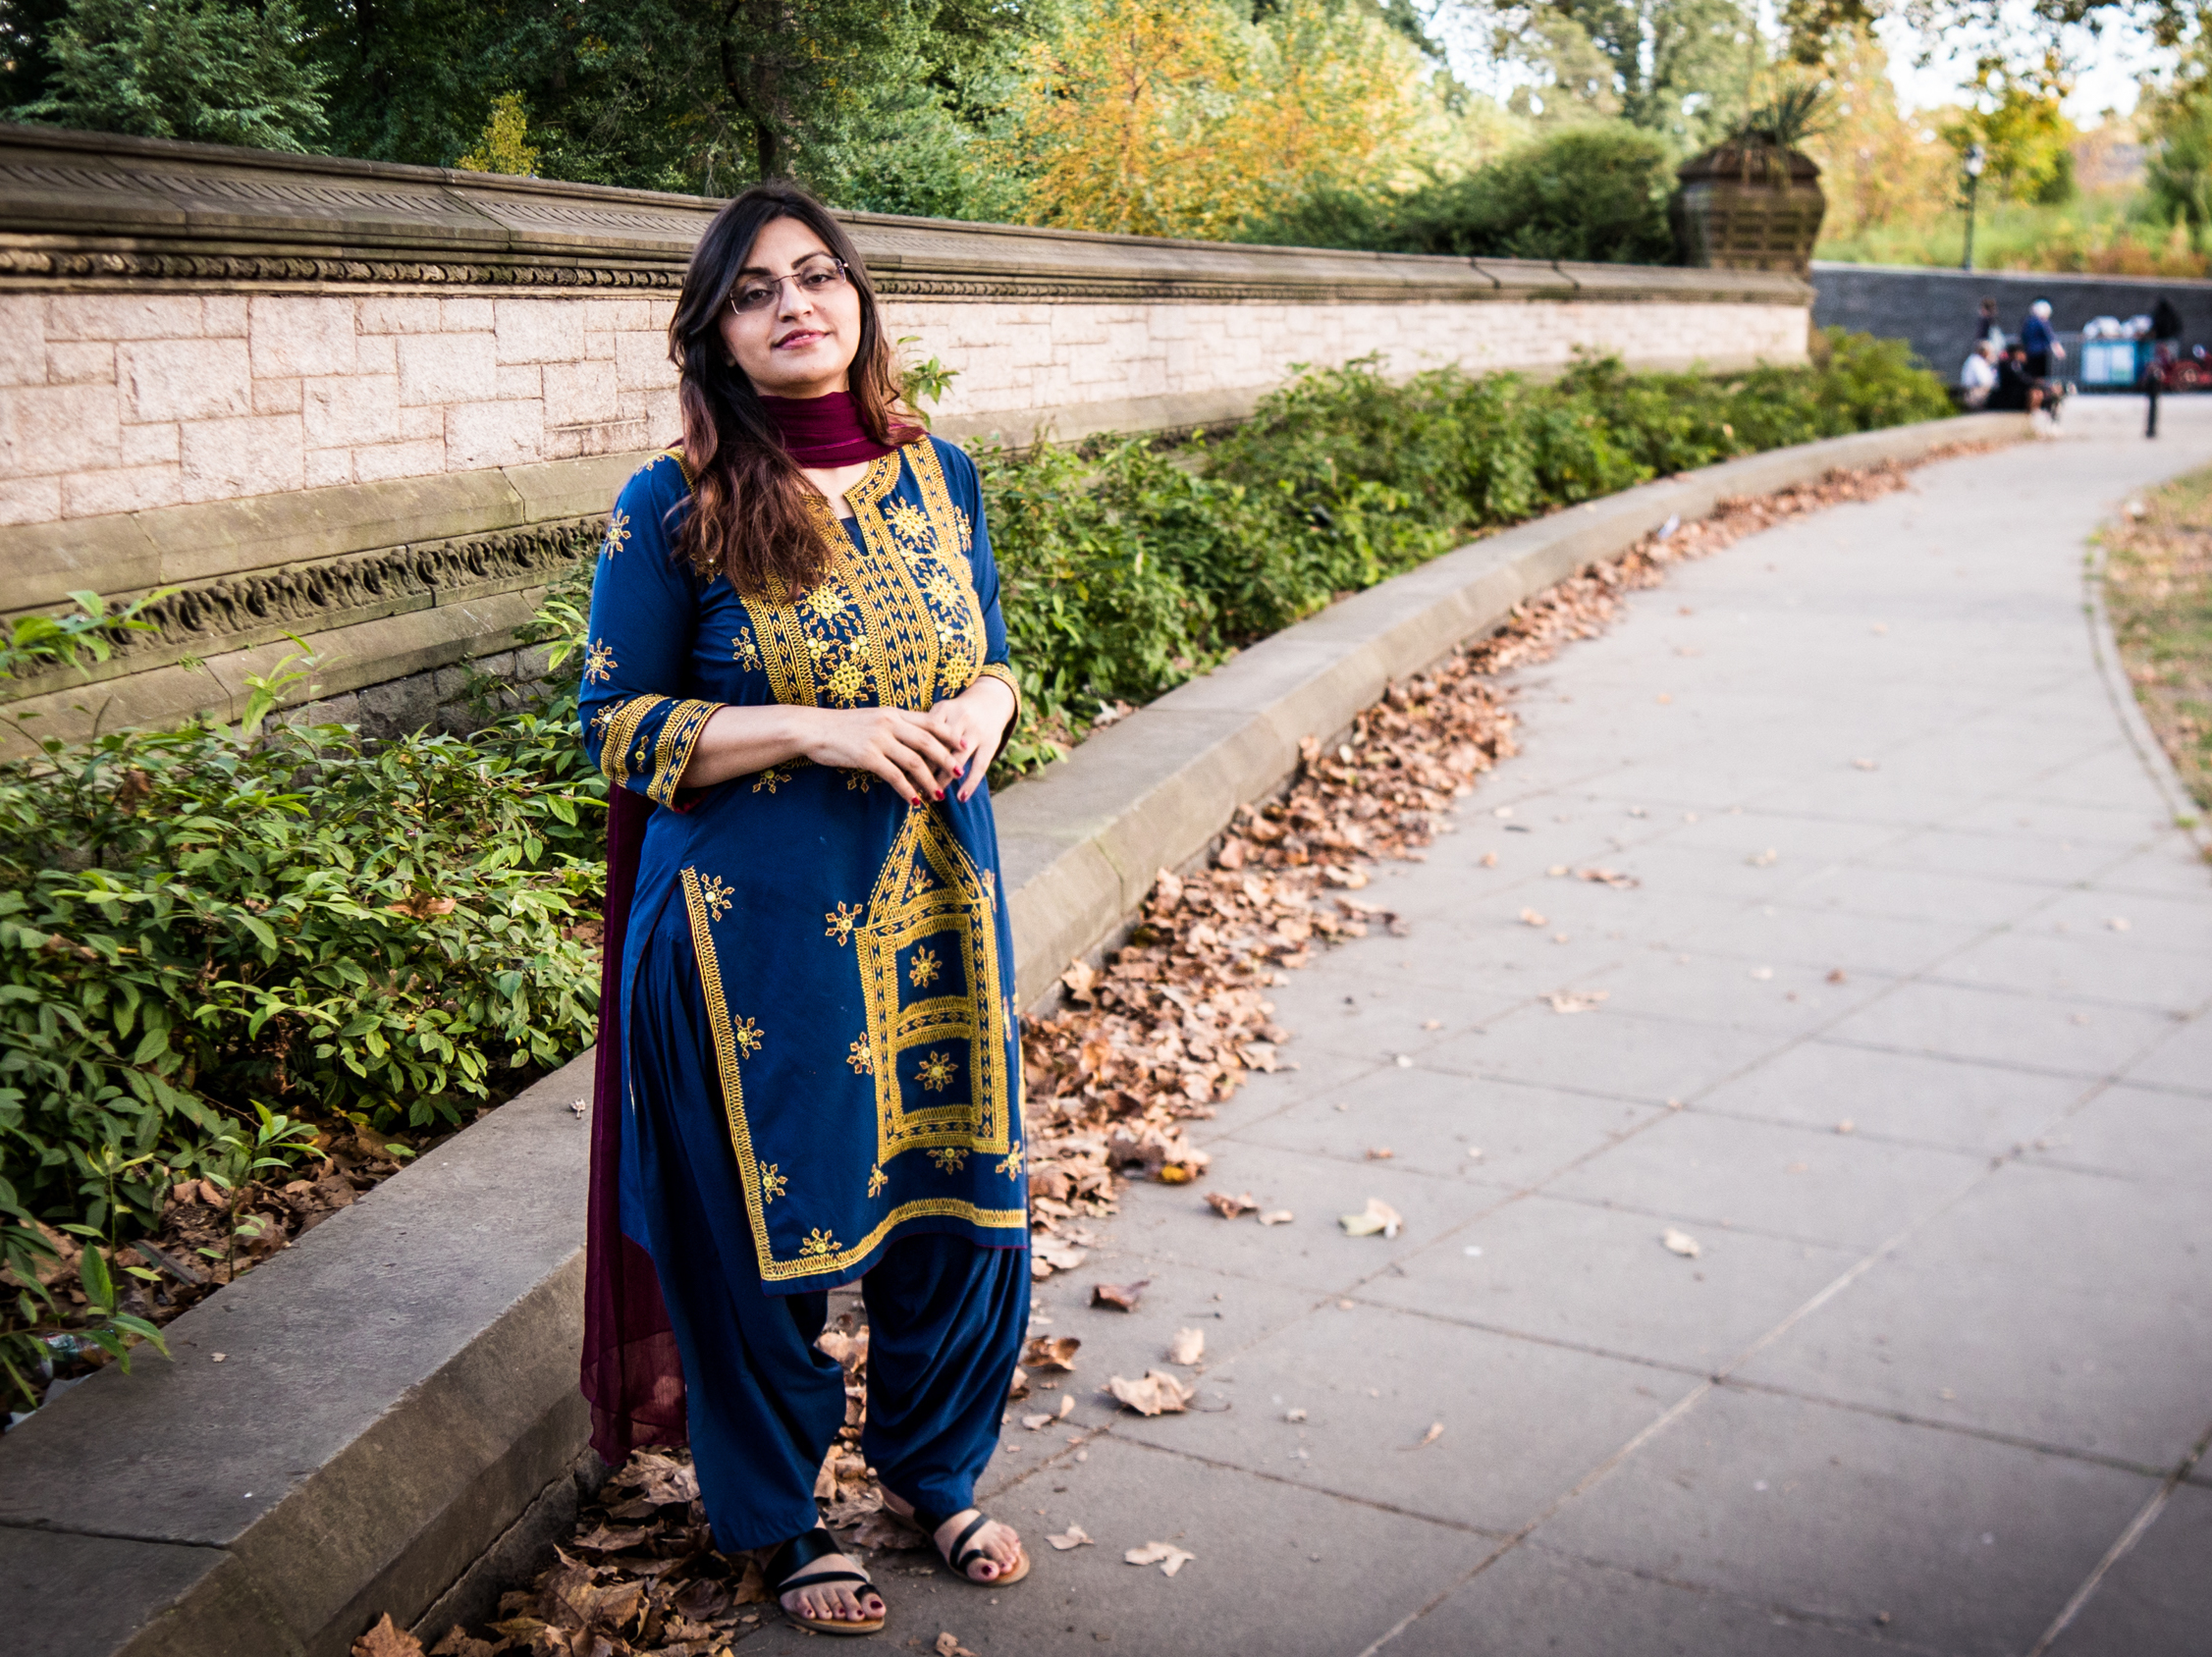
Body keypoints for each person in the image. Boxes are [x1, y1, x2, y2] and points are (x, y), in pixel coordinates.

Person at [576, 181, 1032, 1637]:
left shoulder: (938, 474)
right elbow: (620, 728)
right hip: (744, 942)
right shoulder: (672, 504)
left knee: (955, 1209)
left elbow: (1000, 657)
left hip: (938, 913)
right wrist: (820, 730)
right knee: (763, 1234)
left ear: (859, 300)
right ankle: (782, 1521)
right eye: (757, 289)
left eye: (819, 276)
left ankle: (932, 1468)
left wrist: (982, 709)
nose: (796, 306)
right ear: (713, 332)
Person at [2020, 298, 2065, 380]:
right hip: (2041, 352)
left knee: (2030, 375)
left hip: (2028, 352)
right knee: (2040, 376)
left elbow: (2023, 337)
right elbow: (2049, 336)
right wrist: (2058, 350)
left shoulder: (2028, 321)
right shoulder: (2042, 322)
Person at [2144, 338, 2177, 438]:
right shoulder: (2156, 357)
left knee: (2153, 408)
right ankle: (2151, 430)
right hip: (2153, 384)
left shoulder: (2158, 356)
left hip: (2154, 384)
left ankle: (2151, 430)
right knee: (2153, 407)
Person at [1960, 339, 2000, 409]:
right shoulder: (1975, 361)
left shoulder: (1980, 361)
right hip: (1975, 393)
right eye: (1990, 352)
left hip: (1978, 391)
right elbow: (1983, 381)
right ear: (1984, 352)